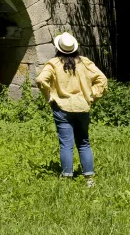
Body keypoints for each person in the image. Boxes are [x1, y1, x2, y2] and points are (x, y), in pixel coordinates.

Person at [36, 32, 108, 186]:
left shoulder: (53, 64)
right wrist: (93, 96)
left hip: (62, 108)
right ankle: (89, 179)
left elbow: (41, 80)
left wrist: (48, 97)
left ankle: (67, 177)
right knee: (84, 143)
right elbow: (102, 79)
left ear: (58, 48)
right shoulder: (85, 63)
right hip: (83, 107)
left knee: (66, 144)